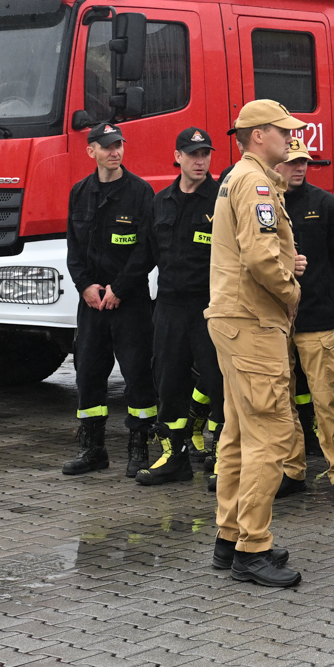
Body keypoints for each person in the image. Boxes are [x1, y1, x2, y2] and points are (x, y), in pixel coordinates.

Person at [207, 100, 303, 588]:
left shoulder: (236, 178)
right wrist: (291, 290)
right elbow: (262, 259)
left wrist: (287, 262)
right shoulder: (256, 181)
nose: (291, 139)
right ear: (258, 135)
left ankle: (231, 537)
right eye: (283, 132)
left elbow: (261, 249)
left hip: (232, 318)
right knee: (272, 435)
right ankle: (252, 548)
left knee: (239, 434)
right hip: (252, 320)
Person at [62, 122, 158, 477]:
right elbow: (73, 248)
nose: (115, 151)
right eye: (107, 146)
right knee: (87, 373)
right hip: (91, 303)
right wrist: (84, 286)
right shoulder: (79, 192)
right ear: (92, 152)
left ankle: (139, 449)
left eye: (119, 145)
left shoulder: (140, 192)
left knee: (137, 374)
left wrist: (119, 288)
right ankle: (93, 450)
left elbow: (146, 251)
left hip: (128, 302)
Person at [138, 127, 224, 487]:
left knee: (219, 383)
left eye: (205, 154)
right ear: (178, 157)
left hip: (210, 305)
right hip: (171, 307)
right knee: (169, 381)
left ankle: (223, 456)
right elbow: (146, 254)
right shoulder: (161, 201)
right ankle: (175, 457)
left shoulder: (222, 198)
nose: (200, 161)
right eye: (192, 154)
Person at [278, 138, 334, 504]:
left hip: (314, 320)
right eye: (292, 161)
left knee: (327, 400)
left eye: (304, 162)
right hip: (276, 321)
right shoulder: (267, 203)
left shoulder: (326, 204)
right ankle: (292, 471)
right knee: (283, 402)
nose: (299, 168)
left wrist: (319, 289)